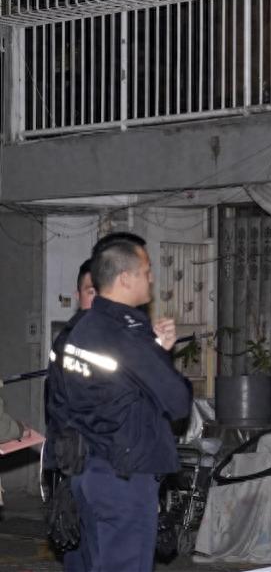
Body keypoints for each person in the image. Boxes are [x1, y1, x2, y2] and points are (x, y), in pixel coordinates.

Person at [54, 234, 192, 571]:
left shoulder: (83, 329)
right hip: (123, 478)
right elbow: (177, 400)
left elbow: (114, 388)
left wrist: (152, 349)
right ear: (126, 278)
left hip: (92, 469)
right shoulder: (124, 333)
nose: (151, 278)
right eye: (146, 271)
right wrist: (159, 352)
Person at [42, 258, 96, 569]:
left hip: (90, 463)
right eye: (90, 292)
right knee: (82, 548)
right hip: (77, 462)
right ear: (78, 295)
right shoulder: (73, 340)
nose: (97, 300)